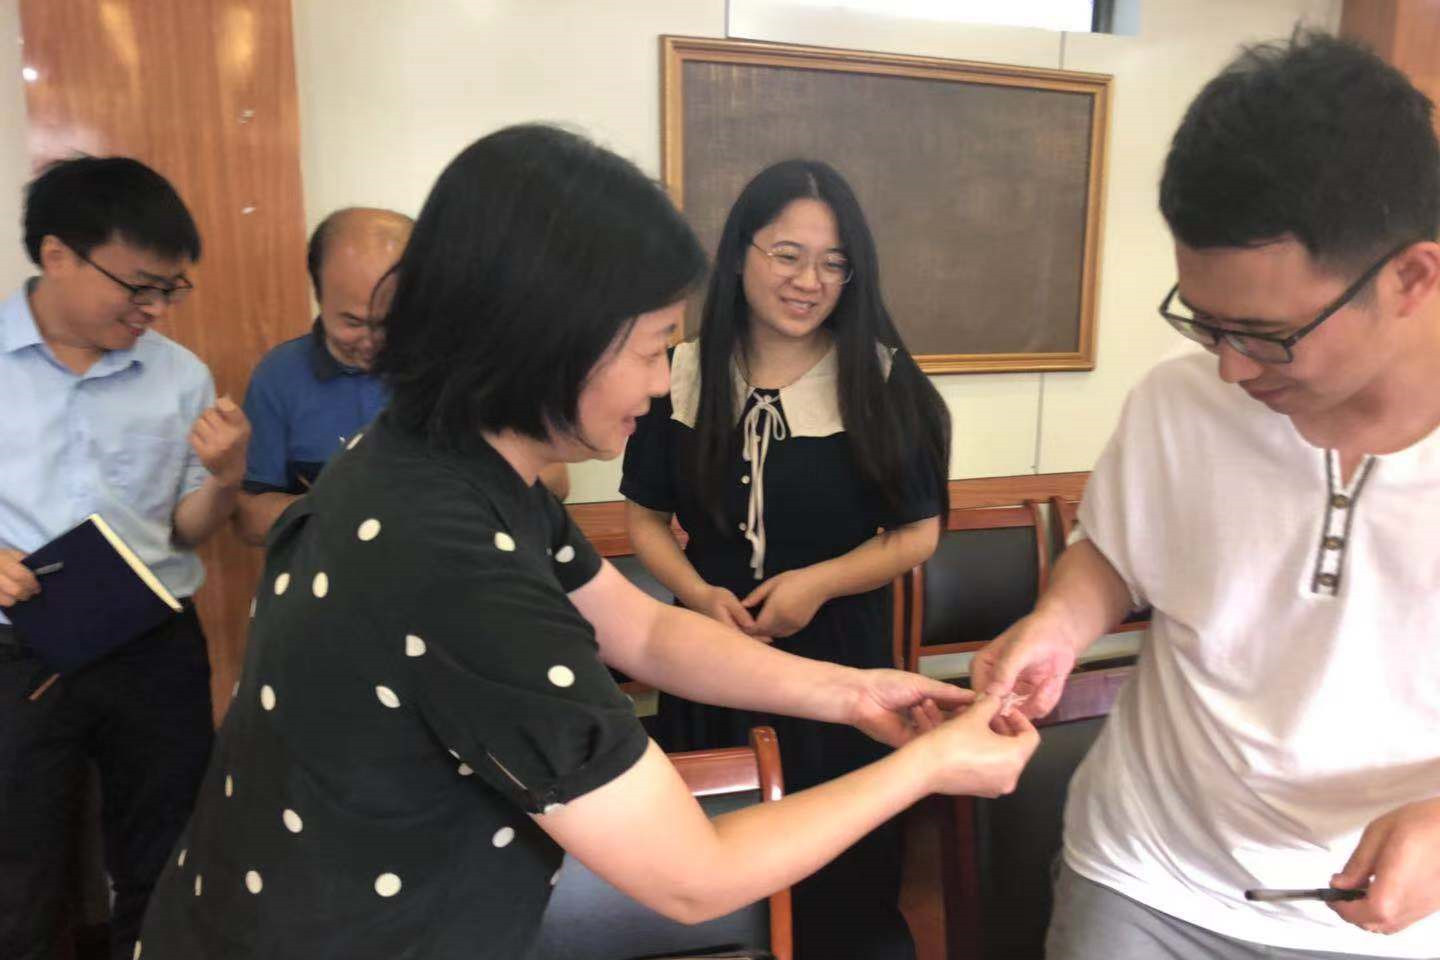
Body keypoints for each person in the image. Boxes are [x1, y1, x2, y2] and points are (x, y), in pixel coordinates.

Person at [136, 124, 1037, 960]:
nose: (662, 384)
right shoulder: (449, 553)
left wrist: (854, 694)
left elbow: (640, 629)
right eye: (650, 350)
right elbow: (694, 876)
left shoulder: (453, 459)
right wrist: (928, 765)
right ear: (549, 340)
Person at [972, 32, 1440, 960]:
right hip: (1143, 876)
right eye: (1204, 322)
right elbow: (1115, 553)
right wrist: (1060, 625)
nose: (1228, 368)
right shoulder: (1178, 401)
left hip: (1382, 920)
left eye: (1266, 334)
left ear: (1411, 279)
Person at [622, 158, 952, 959]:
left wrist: (820, 583)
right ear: (740, 254)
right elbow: (645, 520)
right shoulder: (681, 375)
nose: (809, 281)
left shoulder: (883, 382)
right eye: (788, 255)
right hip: (708, 661)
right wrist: (698, 593)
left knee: (844, 881)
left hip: (841, 666)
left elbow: (916, 534)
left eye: (834, 263)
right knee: (713, 865)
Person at [0, 157, 249, 960]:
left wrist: (227, 478)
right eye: (139, 287)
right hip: (19, 649)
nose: (155, 310)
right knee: (19, 867)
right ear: (58, 254)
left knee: (168, 854)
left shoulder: (180, 376)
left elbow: (185, 529)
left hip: (152, 644)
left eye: (170, 290)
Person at [234, 208, 570, 546]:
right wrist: (349, 508)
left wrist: (458, 489)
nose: (373, 341)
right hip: (338, 571)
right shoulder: (280, 375)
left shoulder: (468, 362)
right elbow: (250, 519)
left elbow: (555, 480)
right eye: (352, 322)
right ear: (319, 294)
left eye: (390, 321)